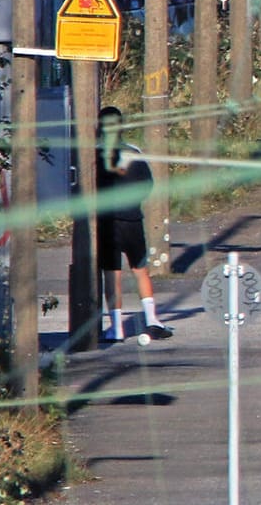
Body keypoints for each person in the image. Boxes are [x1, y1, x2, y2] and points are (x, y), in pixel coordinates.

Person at [95, 106, 173, 343]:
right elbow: (147, 186)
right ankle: (151, 320)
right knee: (140, 271)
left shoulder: (94, 155)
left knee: (112, 275)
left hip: (107, 222)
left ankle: (116, 327)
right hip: (132, 220)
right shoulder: (135, 153)